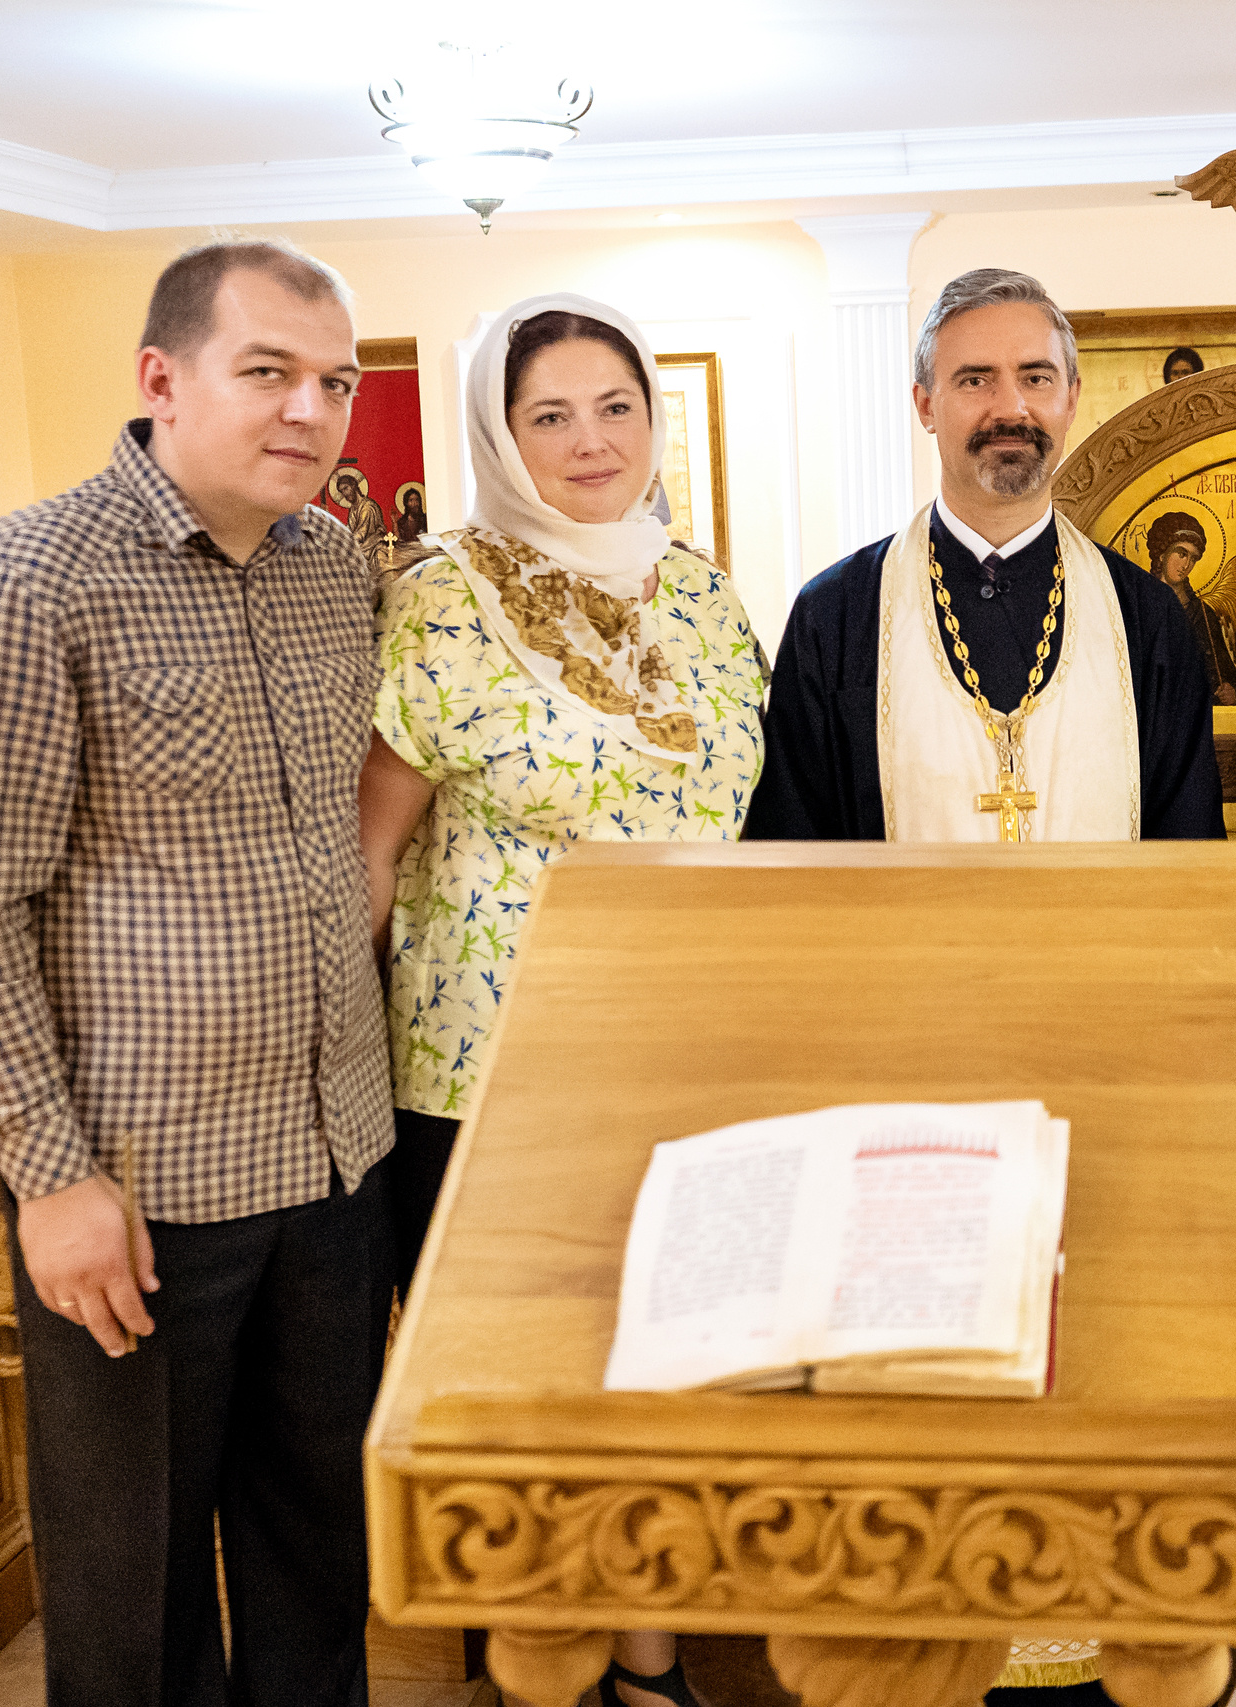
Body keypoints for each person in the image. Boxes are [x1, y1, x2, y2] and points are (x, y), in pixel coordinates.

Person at [0, 239, 394, 1706]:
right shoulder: (28, 581)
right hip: (138, 1188)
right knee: (137, 1606)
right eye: (270, 372)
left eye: (336, 381)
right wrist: (49, 1176)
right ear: (161, 379)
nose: (311, 409)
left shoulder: (330, 572)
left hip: (335, 1163)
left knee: (321, 1570)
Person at [357, 293, 765, 1707]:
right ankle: (540, 1666)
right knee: (529, 1389)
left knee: (660, 1364)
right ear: (499, 432)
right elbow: (375, 845)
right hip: (489, 1067)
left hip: (681, 1048)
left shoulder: (702, 587)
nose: (590, 440)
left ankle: (649, 1666)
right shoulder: (441, 593)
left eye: (615, 406)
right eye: (549, 414)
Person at [747, 268, 1221, 843]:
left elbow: (1189, 863)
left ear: (1070, 399)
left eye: (1036, 377)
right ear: (925, 404)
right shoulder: (835, 617)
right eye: (975, 380)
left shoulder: (1147, 618)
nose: (1011, 408)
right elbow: (795, 862)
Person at [1146, 509, 1236, 705]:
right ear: (1161, 554)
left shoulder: (1201, 613)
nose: (1186, 564)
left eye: (1193, 558)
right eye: (1181, 554)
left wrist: (1232, 691)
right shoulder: (1141, 605)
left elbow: (1227, 671)